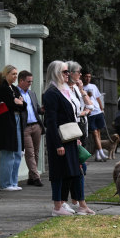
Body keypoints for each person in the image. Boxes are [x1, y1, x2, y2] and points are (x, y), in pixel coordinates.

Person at [42, 61, 81, 216]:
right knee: (58, 172)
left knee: (70, 172)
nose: (68, 74)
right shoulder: (51, 93)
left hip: (69, 137)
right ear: (57, 73)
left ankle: (62, 203)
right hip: (59, 138)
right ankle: (57, 206)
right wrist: (58, 143)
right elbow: (51, 122)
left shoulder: (64, 90)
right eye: (65, 72)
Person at [65, 61, 96, 215]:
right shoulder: (64, 90)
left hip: (80, 131)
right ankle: (75, 201)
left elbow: (91, 106)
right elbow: (72, 112)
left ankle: (79, 201)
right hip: (72, 132)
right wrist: (81, 113)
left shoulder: (76, 89)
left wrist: (81, 89)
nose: (80, 76)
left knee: (80, 167)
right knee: (77, 168)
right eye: (78, 72)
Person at [0, 65, 27, 191]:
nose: (15, 76)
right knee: (8, 153)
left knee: (18, 152)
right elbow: (10, 104)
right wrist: (18, 103)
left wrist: (19, 102)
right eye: (13, 74)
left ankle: (13, 181)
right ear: (6, 74)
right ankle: (5, 183)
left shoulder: (14, 88)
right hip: (7, 122)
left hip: (17, 120)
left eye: (16, 74)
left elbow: (23, 105)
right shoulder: (2, 88)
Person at [17, 70, 45, 187]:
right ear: (21, 81)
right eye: (28, 81)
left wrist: (44, 109)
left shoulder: (31, 94)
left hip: (36, 125)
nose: (30, 84)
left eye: (31, 81)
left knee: (36, 152)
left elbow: (37, 109)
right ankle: (36, 177)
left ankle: (31, 177)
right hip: (25, 127)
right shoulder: (15, 93)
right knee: (30, 153)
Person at [82, 70, 109, 162]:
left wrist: (102, 109)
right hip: (90, 113)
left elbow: (98, 98)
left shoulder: (93, 86)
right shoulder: (80, 87)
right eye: (86, 76)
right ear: (82, 77)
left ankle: (98, 155)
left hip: (98, 111)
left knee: (98, 133)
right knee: (94, 133)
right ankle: (102, 153)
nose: (88, 78)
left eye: (89, 77)